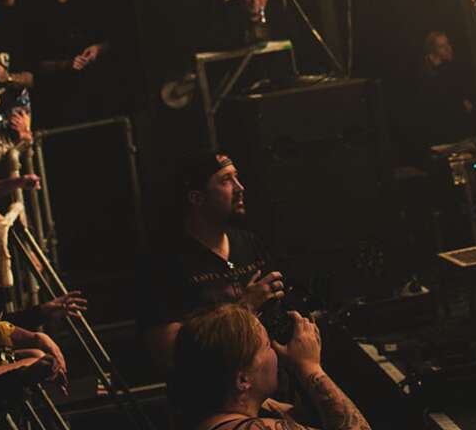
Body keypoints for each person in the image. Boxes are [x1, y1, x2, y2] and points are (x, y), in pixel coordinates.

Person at [138, 151, 284, 372]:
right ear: (197, 198)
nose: (240, 187)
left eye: (237, 177)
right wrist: (244, 307)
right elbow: (167, 351)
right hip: (213, 388)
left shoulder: (249, 243)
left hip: (267, 378)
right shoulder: (165, 263)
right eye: (226, 180)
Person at [167, 304, 371, 430]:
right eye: (266, 345)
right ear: (243, 380)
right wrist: (310, 367)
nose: (275, 350)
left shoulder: (204, 415)